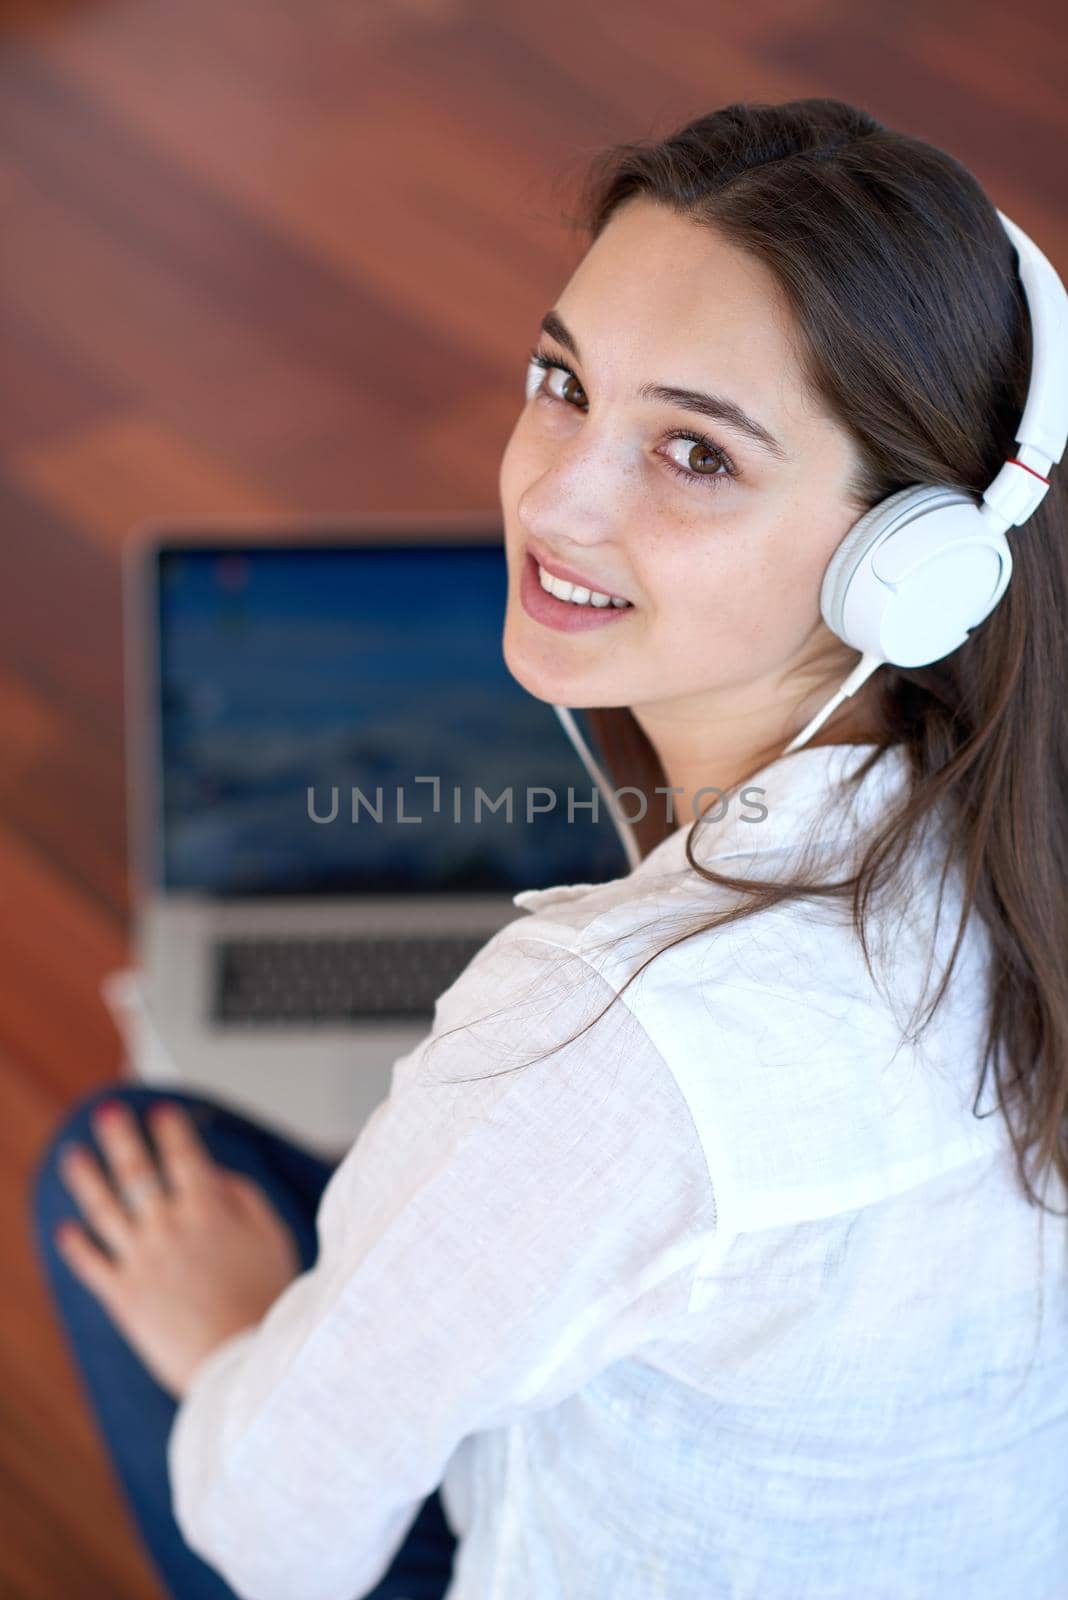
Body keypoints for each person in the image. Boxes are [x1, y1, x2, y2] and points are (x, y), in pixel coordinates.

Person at [28, 96, 1068, 1600]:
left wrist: (232, 1342)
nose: (555, 495)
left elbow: (276, 1537)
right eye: (561, 379)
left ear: (914, 564)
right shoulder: (1016, 827)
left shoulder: (598, 1032)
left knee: (105, 1170)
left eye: (697, 453)